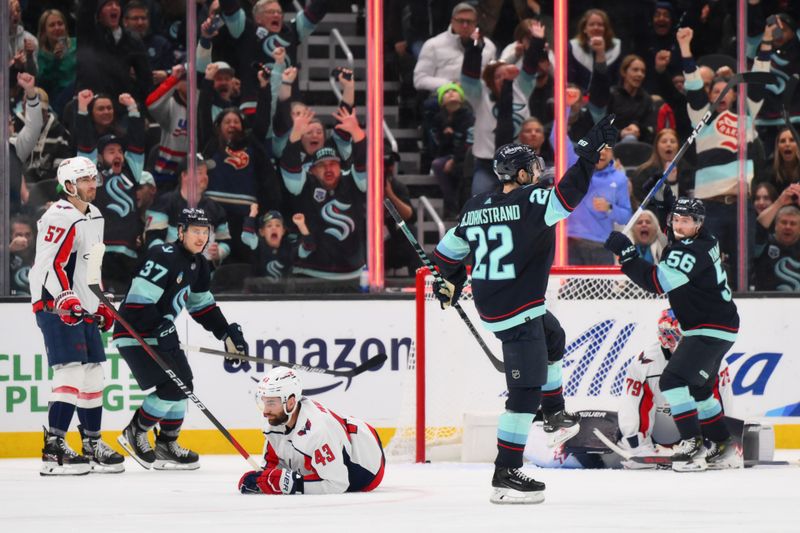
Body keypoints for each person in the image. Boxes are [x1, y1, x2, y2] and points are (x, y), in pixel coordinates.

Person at [431, 115, 619, 503]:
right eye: (532, 167)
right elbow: (569, 194)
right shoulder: (533, 201)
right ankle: (506, 472)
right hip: (515, 310)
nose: (537, 172)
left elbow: (448, 252)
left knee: (554, 336)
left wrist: (449, 281)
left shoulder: (475, 205)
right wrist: (586, 157)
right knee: (523, 392)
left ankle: (554, 412)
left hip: (501, 303)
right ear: (518, 172)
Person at [604, 197, 740, 472]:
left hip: (707, 328)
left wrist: (628, 254)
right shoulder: (706, 240)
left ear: (699, 224)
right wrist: (665, 207)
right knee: (700, 390)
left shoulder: (691, 253)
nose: (679, 225)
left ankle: (693, 443)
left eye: (686, 220)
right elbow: (676, 242)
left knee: (672, 380)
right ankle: (724, 446)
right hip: (720, 326)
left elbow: (656, 282)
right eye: (675, 219)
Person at [114, 208, 249, 470]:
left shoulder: (199, 265)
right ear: (181, 232)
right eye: (195, 231)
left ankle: (166, 444)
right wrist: (160, 327)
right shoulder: (163, 256)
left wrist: (226, 333)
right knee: (174, 387)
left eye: (205, 232)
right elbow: (138, 302)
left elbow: (202, 307)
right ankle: (136, 431)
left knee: (184, 385)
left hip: (159, 334)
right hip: (135, 333)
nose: (201, 237)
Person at [29, 156, 124, 475]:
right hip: (55, 304)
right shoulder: (58, 216)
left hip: (81, 305)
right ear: (68, 185)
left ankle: (91, 442)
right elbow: (47, 266)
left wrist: (101, 303)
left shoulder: (95, 216)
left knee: (94, 373)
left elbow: (90, 266)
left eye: (93, 178)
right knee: (69, 372)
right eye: (84, 180)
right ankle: (53, 448)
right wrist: (65, 297)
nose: (91, 184)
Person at [238, 367, 385, 495]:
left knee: (316, 457)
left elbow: (337, 483)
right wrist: (260, 480)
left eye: (271, 403)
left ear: (290, 402)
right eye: (263, 402)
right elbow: (273, 466)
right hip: (339, 437)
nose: (265, 411)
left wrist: (291, 484)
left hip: (367, 463)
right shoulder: (275, 419)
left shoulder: (318, 430)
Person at [279, 109, 367, 280]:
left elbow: (364, 163)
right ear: (312, 170)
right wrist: (296, 133)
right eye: (322, 165)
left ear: (340, 167)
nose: (328, 169)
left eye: (333, 164)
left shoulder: (353, 183)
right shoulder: (303, 185)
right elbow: (290, 165)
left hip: (352, 274)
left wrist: (356, 132)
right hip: (309, 273)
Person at [145, 155, 231, 267]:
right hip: (170, 273)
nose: (205, 177)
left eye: (206, 173)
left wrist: (219, 252)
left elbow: (226, 242)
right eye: (199, 173)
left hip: (204, 275)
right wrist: (170, 256)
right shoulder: (164, 203)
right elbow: (152, 239)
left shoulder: (216, 209)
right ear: (184, 175)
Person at [567, 146, 631, 265]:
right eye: (598, 147)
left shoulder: (620, 179)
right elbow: (558, 138)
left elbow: (626, 216)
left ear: (612, 153)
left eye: (607, 148)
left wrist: (609, 208)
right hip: (572, 243)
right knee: (568, 284)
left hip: (602, 247)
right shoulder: (574, 168)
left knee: (604, 284)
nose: (601, 152)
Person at [241, 208, 315, 281]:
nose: (274, 228)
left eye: (278, 225)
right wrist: (253, 213)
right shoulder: (257, 245)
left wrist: (301, 225)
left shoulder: (289, 247)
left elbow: (308, 248)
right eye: (269, 226)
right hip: (258, 291)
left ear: (283, 231)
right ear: (262, 232)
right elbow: (247, 236)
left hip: (282, 291)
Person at [752, 203, 800, 291]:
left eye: (793, 223)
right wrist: (781, 201)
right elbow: (760, 226)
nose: (788, 227)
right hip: (764, 301)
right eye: (784, 222)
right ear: (776, 225)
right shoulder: (764, 244)